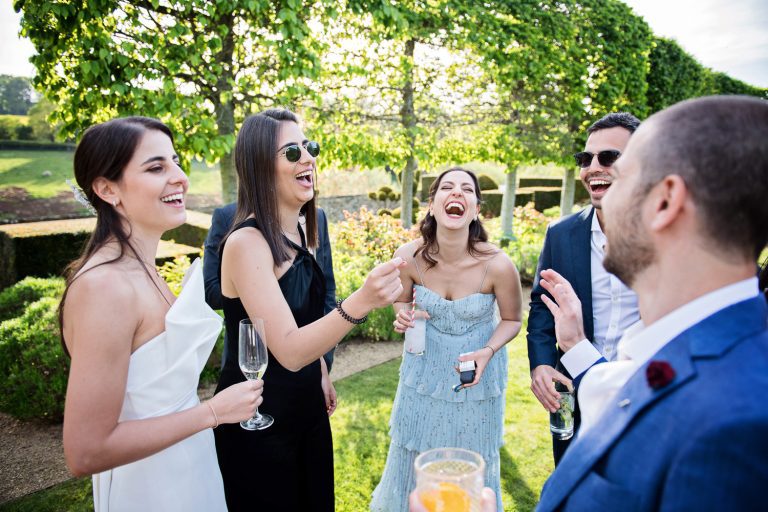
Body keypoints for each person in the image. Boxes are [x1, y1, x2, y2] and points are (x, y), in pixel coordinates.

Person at [536, 95, 768, 510]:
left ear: (664, 202)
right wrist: (575, 346)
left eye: (621, 175)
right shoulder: (696, 346)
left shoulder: (739, 427)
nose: (598, 184)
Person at [58, 117, 262, 511]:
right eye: (156, 167)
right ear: (106, 189)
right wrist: (214, 412)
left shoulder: (141, 267)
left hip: (190, 468)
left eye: (175, 161)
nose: (180, 177)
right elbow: (85, 452)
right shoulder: (104, 287)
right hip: (151, 488)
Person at [213, 108, 404, 511]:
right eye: (292, 152)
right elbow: (289, 348)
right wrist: (363, 300)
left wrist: (321, 372)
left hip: (307, 405)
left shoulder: (303, 226)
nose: (308, 158)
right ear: (259, 166)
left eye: (310, 147)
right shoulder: (246, 243)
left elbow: (307, 319)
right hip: (259, 414)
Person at [370, 168, 523, 512]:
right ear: (433, 204)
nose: (457, 194)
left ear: (476, 208)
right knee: (414, 453)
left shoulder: (498, 264)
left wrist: (488, 350)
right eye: (448, 188)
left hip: (476, 381)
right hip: (423, 375)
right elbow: (400, 298)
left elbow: (513, 320)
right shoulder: (408, 256)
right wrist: (402, 313)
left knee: (471, 460)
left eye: (467, 189)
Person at [527, 112, 641, 465]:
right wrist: (542, 365)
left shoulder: (667, 237)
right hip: (576, 395)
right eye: (585, 158)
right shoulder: (561, 235)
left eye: (609, 157)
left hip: (641, 394)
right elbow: (542, 307)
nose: (593, 167)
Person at [203, 201, 337, 372]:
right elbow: (211, 290)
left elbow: (328, 289)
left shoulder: (317, 216)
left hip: (312, 364)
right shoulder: (229, 217)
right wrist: (262, 289)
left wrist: (323, 359)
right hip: (254, 365)